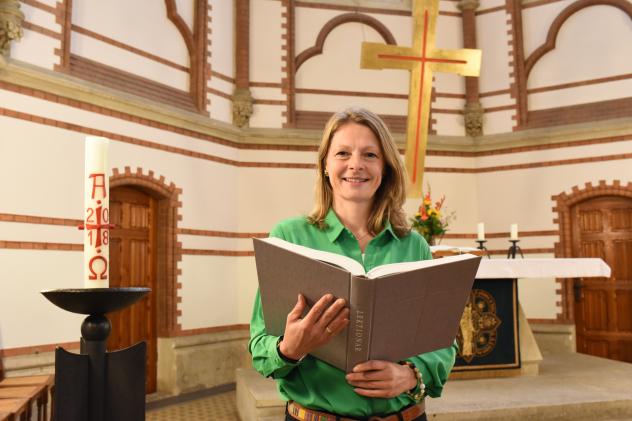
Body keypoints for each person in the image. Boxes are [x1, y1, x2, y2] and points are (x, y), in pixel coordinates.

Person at [249, 107, 457, 421]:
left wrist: (411, 374)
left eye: (370, 154)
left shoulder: (413, 245)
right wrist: (289, 347)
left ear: (386, 167)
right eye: (343, 153)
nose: (355, 165)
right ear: (325, 165)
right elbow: (259, 345)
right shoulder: (288, 236)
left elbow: (444, 340)